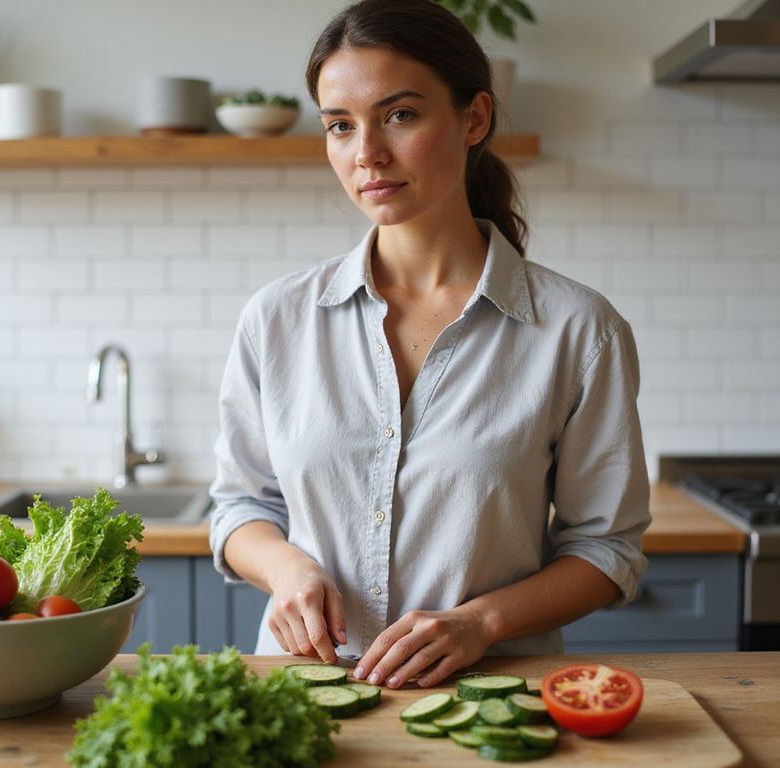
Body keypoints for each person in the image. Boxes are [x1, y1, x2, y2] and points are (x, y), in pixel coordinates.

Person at [209, 0, 650, 691]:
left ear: (474, 118)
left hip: (488, 699)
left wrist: (481, 623)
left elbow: (606, 550)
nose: (367, 155)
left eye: (400, 115)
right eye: (340, 126)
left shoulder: (577, 330)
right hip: (300, 692)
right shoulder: (277, 319)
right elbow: (241, 508)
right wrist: (287, 569)